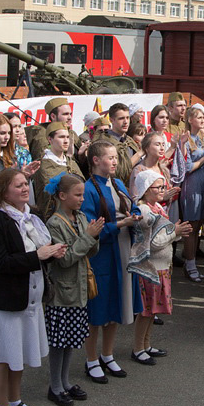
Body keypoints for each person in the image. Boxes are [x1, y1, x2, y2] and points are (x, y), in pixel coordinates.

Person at [0, 168, 64, 406]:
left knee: (19, 353)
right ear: (3, 191)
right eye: (18, 186)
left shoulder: (33, 216)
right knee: (3, 354)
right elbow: (0, 262)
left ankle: (16, 400)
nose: (25, 189)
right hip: (6, 299)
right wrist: (38, 255)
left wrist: (52, 253)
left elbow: (38, 252)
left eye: (26, 184)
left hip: (31, 296)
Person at [81, 140, 142, 382]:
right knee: (98, 307)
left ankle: (108, 354)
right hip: (103, 254)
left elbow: (133, 207)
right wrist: (118, 224)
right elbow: (89, 228)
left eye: (116, 157)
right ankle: (91, 359)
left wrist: (135, 214)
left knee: (117, 301)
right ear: (95, 160)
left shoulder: (117, 183)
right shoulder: (88, 189)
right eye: (110, 157)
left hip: (124, 248)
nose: (115, 161)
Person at [44, 173, 102, 406]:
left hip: (78, 290)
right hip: (62, 293)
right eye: (77, 195)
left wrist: (92, 238)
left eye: (82, 195)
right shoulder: (54, 223)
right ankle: (55, 385)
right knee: (59, 342)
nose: (81, 199)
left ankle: (65, 382)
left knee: (71, 340)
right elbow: (65, 259)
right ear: (62, 196)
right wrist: (88, 237)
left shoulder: (80, 217)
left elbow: (89, 252)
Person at [129, 170, 191, 365]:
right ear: (146, 190)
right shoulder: (145, 211)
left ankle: (146, 344)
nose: (162, 191)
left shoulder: (155, 207)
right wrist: (175, 232)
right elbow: (153, 243)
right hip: (150, 267)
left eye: (163, 187)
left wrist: (176, 231)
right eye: (158, 187)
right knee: (146, 311)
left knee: (152, 310)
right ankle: (138, 347)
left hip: (161, 266)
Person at [179, 107, 204, 283]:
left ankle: (191, 261)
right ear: (190, 120)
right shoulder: (186, 140)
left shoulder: (203, 138)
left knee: (199, 223)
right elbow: (187, 168)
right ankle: (189, 263)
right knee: (191, 225)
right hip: (193, 183)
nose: (203, 120)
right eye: (199, 117)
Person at [34, 122, 83, 213]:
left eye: (67, 137)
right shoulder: (43, 164)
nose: (66, 141)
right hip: (55, 215)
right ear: (50, 139)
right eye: (61, 137)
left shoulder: (71, 162)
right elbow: (47, 195)